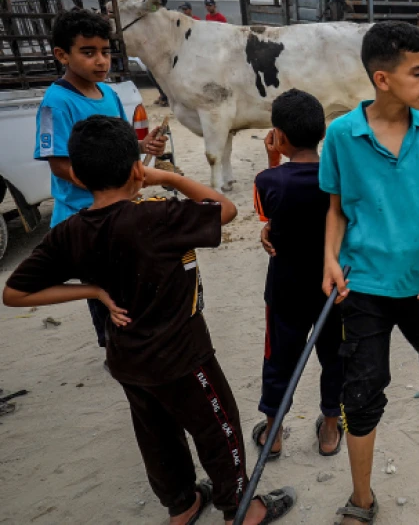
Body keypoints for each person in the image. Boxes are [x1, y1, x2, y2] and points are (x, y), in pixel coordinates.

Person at [4, 115, 295, 525]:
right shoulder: (158, 215)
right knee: (218, 429)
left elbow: (14, 293)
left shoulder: (69, 231)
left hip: (127, 360)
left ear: (81, 178)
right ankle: (242, 510)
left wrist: (92, 291)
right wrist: (172, 180)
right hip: (184, 357)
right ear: (135, 169)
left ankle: (183, 506)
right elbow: (225, 209)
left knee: (156, 437)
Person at [319, 22, 419, 524]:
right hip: (362, 283)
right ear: (382, 79)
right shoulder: (341, 135)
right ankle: (361, 499)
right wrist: (329, 258)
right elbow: (337, 210)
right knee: (360, 390)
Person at [34, 9, 166, 349]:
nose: (100, 61)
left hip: (120, 209)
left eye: (105, 52)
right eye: (88, 52)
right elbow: (59, 164)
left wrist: (142, 145)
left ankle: (137, 339)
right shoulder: (56, 103)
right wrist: (107, 188)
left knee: (129, 279)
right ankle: (115, 346)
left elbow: (118, 145)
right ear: (62, 54)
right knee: (103, 289)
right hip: (86, 215)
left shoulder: (108, 94)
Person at [251, 89, 345, 462]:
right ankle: (330, 428)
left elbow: (267, 215)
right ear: (321, 132)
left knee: (279, 359)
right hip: (334, 288)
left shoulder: (268, 180)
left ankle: (273, 435)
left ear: (280, 136)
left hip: (286, 290)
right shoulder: (338, 179)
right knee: (336, 358)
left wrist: (273, 158)